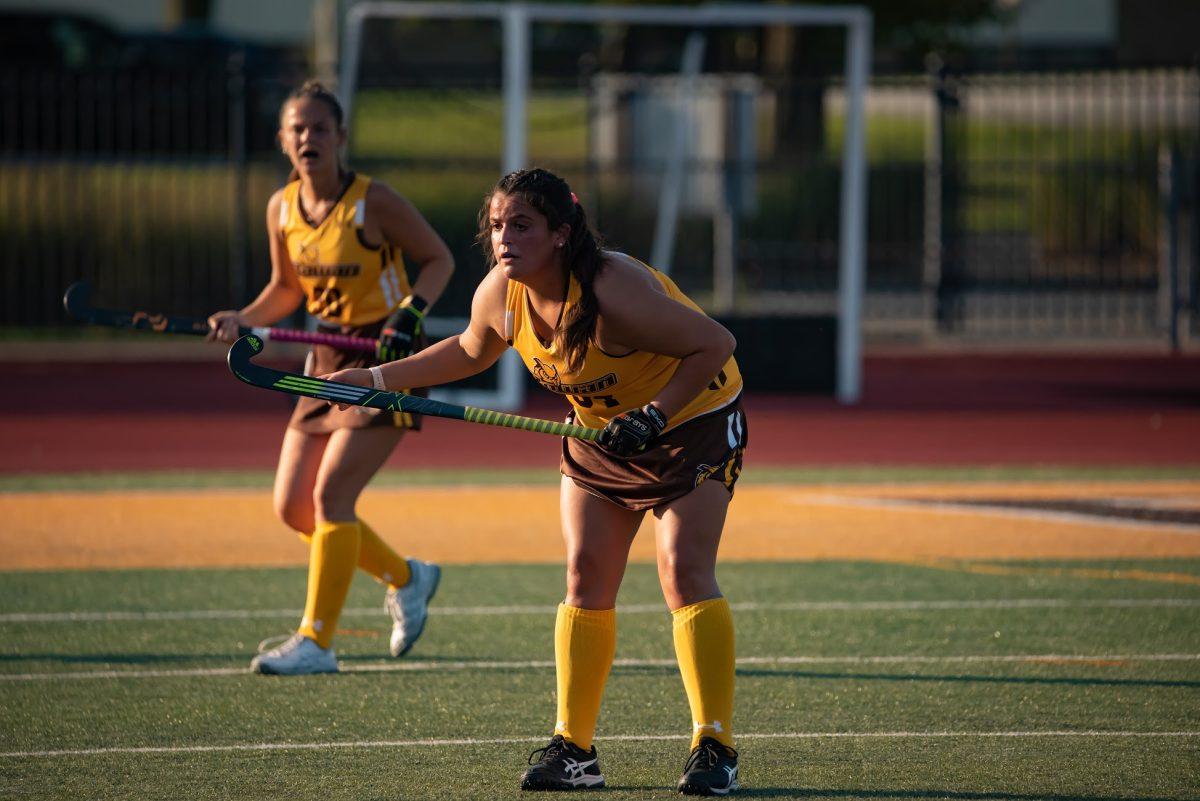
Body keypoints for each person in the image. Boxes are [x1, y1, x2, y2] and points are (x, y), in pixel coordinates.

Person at [326, 168, 747, 794]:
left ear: (559, 233)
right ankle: (575, 750)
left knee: (683, 571)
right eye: (496, 226)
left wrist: (655, 414)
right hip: (600, 433)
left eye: (520, 225)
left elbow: (715, 342)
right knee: (584, 576)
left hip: (693, 422)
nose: (504, 239)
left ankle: (715, 746)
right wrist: (376, 379)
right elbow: (470, 350)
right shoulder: (502, 291)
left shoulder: (611, 289)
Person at [208, 80, 455, 675]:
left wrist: (409, 316)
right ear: (282, 140)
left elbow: (439, 260)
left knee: (331, 497)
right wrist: (243, 318)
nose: (308, 138)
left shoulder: (375, 202)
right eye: (297, 128)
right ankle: (407, 577)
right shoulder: (282, 207)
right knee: (294, 508)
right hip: (324, 359)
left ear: (341, 137)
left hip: (387, 358)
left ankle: (317, 641)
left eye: (320, 128)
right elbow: (287, 289)